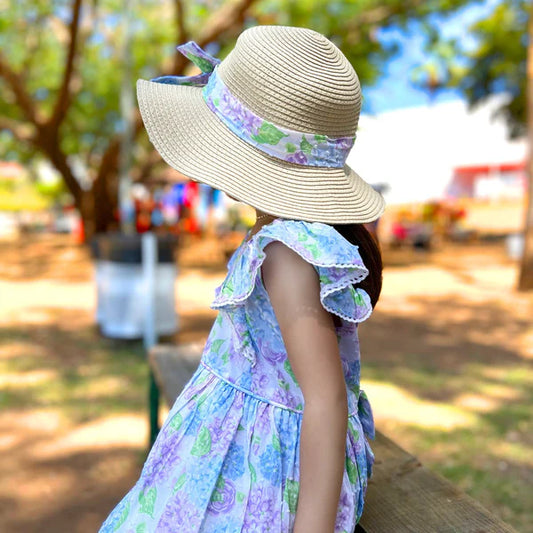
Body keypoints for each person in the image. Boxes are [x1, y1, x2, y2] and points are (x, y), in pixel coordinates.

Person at [99, 25, 385, 533]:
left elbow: (326, 398)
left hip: (265, 468)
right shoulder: (280, 237)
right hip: (240, 436)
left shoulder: (287, 254)